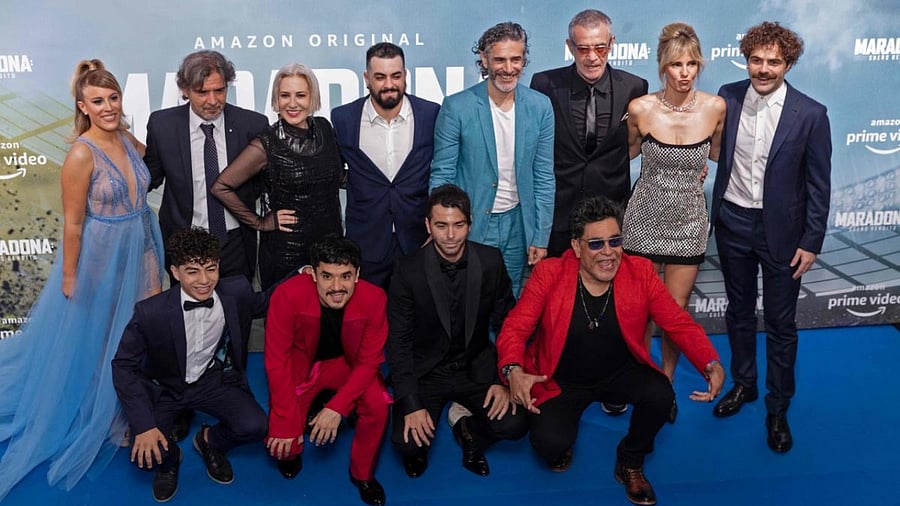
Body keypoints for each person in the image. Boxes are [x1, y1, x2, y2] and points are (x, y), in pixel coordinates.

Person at [0, 59, 164, 501]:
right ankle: (108, 417)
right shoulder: (79, 153)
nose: (108, 106)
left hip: (143, 243)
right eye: (98, 101)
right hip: (101, 254)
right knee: (101, 335)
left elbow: (150, 172)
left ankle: (133, 403)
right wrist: (70, 276)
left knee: (138, 331)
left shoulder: (128, 140)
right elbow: (73, 225)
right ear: (82, 106)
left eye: (113, 98)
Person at [496, 196, 724, 506]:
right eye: (596, 244)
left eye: (615, 241)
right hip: (560, 379)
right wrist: (513, 371)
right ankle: (562, 440)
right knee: (549, 446)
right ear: (576, 247)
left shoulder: (639, 272)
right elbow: (515, 327)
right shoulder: (549, 273)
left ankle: (630, 459)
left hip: (619, 372)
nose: (608, 253)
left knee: (661, 395)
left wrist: (709, 361)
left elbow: (677, 322)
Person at [710, 22, 831, 453]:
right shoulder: (727, 96)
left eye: (773, 62)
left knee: (781, 324)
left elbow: (819, 185)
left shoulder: (812, 114)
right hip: (733, 223)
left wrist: (812, 240)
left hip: (785, 233)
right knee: (739, 313)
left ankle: (778, 407)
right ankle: (745, 385)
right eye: (756, 60)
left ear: (789, 63)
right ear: (746, 58)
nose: (763, 69)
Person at [111, 227, 270, 502]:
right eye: (193, 271)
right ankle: (172, 459)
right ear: (175, 272)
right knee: (146, 455)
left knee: (256, 425)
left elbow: (269, 301)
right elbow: (123, 364)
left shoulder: (236, 292)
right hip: (166, 388)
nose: (204, 280)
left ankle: (209, 441)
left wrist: (306, 272)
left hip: (213, 380)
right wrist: (144, 424)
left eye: (211, 269)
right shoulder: (150, 312)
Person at [621, 22, 725, 424]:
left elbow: (717, 156)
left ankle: (663, 385)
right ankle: (642, 379)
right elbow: (627, 155)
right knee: (641, 310)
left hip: (688, 220)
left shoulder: (715, 107)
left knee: (675, 310)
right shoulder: (641, 109)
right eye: (676, 64)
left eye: (692, 64)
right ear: (663, 66)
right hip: (644, 217)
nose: (685, 72)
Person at [387, 184, 526, 479]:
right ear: (428, 225)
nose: (450, 235)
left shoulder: (490, 261)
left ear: (470, 224)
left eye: (458, 225)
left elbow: (508, 324)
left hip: (475, 367)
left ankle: (468, 431)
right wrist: (411, 403)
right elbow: (398, 343)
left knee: (516, 424)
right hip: (427, 371)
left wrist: (504, 378)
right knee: (407, 443)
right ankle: (431, 424)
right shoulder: (406, 270)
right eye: (441, 225)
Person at [430, 21, 555, 297]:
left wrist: (540, 235)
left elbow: (544, 176)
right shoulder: (457, 106)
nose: (508, 68)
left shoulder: (540, 106)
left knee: (506, 305)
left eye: (516, 59)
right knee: (464, 301)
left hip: (518, 226)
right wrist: (444, 226)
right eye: (499, 59)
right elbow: (442, 174)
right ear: (484, 60)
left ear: (524, 60)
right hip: (470, 223)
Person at [264, 235, 389, 506]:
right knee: (282, 446)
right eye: (327, 276)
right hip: (302, 365)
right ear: (313, 274)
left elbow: (369, 362)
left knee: (379, 406)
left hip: (348, 365)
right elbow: (277, 360)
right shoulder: (286, 295)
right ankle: (293, 450)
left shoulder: (375, 298)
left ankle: (363, 474)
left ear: (357, 275)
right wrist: (286, 421)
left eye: (345, 276)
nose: (336, 287)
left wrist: (337, 408)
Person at [212, 63, 344, 290]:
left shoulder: (324, 127)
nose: (292, 103)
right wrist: (260, 222)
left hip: (330, 247)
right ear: (276, 100)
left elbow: (338, 175)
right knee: (285, 319)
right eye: (285, 95)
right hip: (286, 252)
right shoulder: (266, 143)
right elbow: (221, 186)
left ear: (313, 98)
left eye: (300, 95)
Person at [530, 8, 648, 257]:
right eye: (583, 48)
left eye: (600, 48)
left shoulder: (635, 87)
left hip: (611, 217)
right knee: (559, 292)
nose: (592, 57)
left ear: (612, 44)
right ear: (570, 46)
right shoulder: (544, 85)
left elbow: (645, 140)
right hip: (559, 216)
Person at [145, 50, 267, 282]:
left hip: (236, 244)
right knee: (185, 317)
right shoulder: (163, 126)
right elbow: (151, 175)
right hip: (184, 244)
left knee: (237, 313)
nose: (213, 101)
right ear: (185, 90)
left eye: (219, 90)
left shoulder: (252, 125)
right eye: (202, 92)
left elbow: (263, 183)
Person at [331, 42, 441, 290]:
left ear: (405, 76)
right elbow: (335, 173)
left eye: (396, 76)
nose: (389, 84)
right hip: (365, 242)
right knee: (369, 321)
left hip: (418, 240)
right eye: (380, 77)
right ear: (367, 78)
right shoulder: (343, 118)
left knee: (418, 319)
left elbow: (442, 173)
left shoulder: (430, 114)